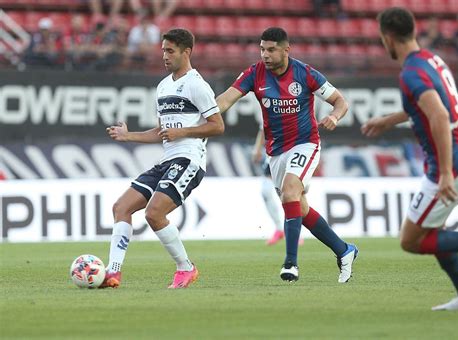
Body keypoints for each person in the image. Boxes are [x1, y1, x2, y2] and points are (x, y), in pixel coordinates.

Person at [216, 27, 358, 283]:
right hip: (276, 152)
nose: (265, 55)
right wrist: (200, 114)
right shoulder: (253, 73)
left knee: (291, 191)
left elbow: (341, 101)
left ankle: (291, 263)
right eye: (262, 49)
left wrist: (335, 117)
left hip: (305, 143)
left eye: (271, 50)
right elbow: (225, 101)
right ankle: (344, 250)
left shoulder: (305, 73)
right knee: (298, 207)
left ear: (285, 50)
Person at [361, 7, 458, 311]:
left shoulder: (411, 72)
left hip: (449, 166)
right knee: (432, 231)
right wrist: (388, 120)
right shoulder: (431, 59)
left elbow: (438, 114)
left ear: (389, 36)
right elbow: (426, 106)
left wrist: (447, 173)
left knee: (411, 240)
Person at [101, 28, 224, 289]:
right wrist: (128, 136)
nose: (165, 56)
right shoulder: (163, 86)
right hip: (168, 160)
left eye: (170, 51)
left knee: (154, 213)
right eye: (163, 51)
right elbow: (161, 132)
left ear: (186, 52)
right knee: (121, 208)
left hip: (189, 160)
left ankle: (186, 268)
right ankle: (113, 273)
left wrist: (184, 131)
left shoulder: (196, 84)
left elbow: (217, 126)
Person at [252, 128, 303, 246]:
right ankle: (279, 229)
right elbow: (262, 128)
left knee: (294, 194)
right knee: (266, 191)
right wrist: (257, 148)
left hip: (296, 150)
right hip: (275, 151)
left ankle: (295, 232)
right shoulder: (268, 109)